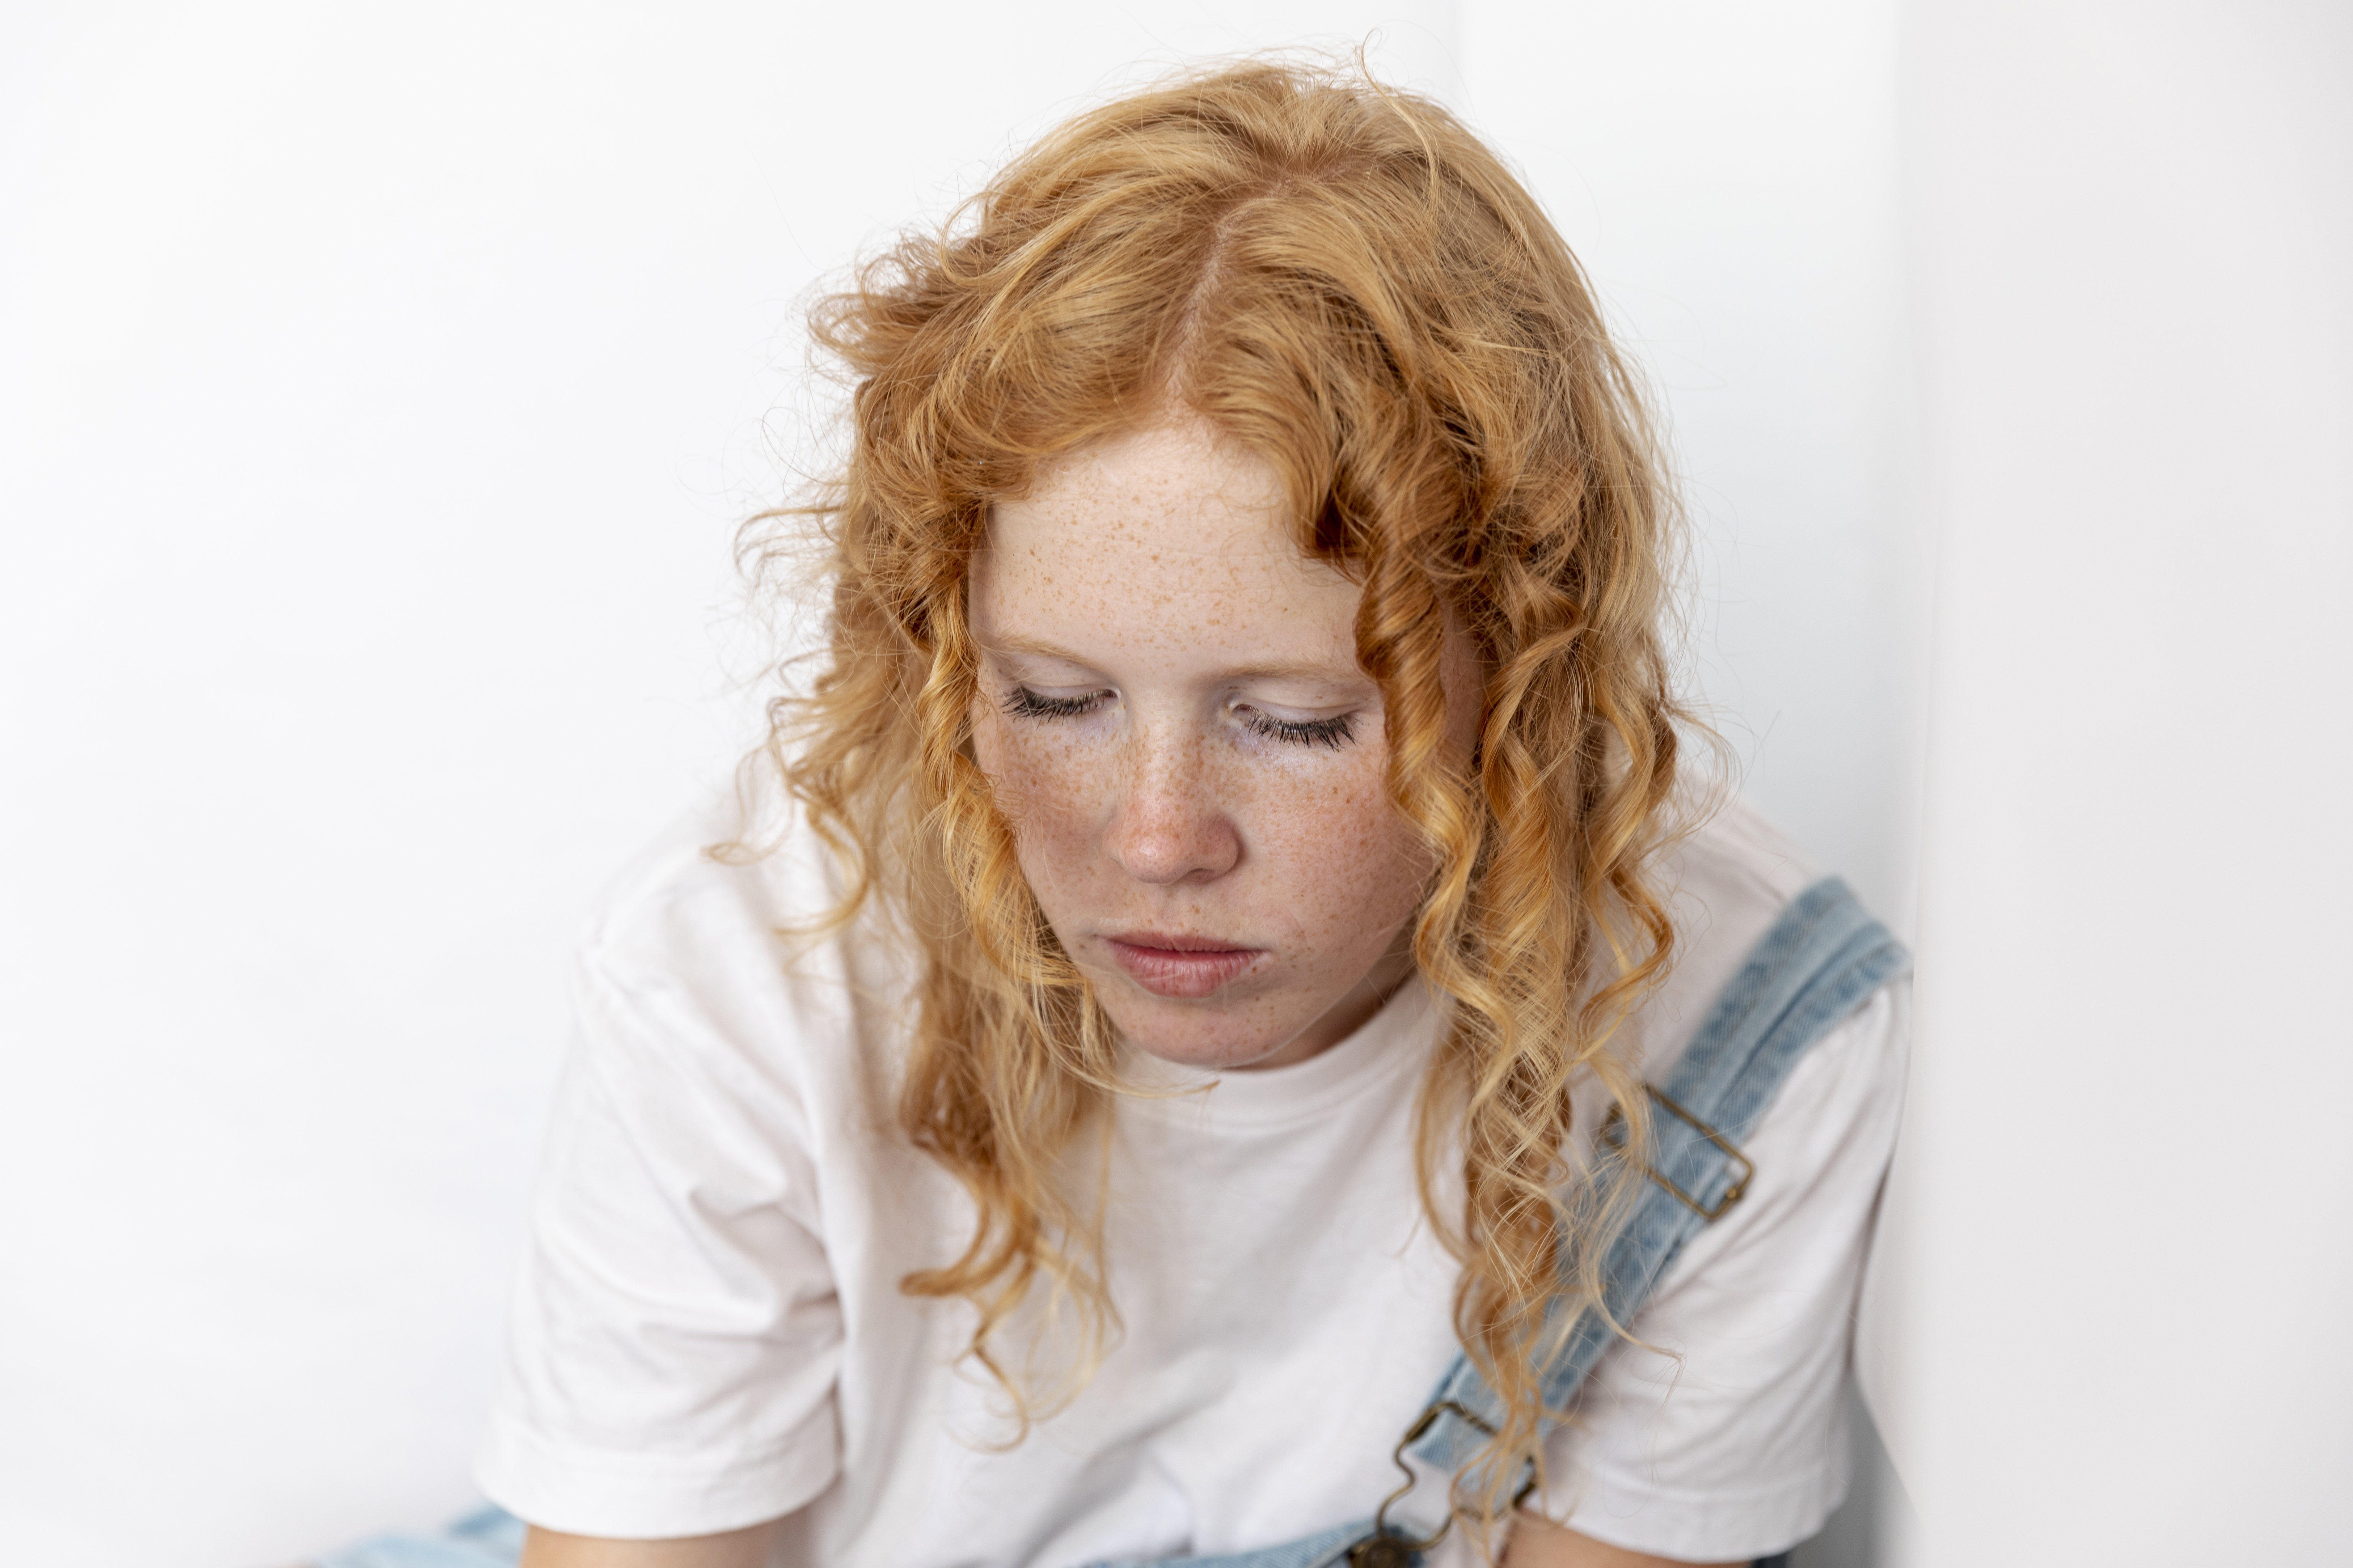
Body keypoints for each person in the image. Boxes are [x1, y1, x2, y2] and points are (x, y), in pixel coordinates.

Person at [339, 59, 1910, 1568]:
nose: (1157, 839)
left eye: (1291, 721)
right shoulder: (756, 959)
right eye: (1054, 700)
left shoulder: (1738, 1035)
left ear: (1523, 677)